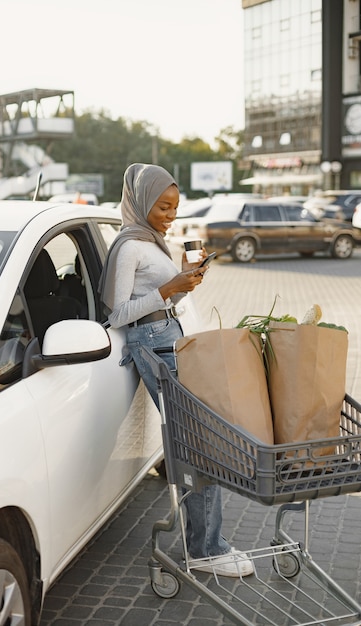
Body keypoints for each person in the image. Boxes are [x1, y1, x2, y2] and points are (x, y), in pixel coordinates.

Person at [98, 163, 252, 578]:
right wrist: (168, 290)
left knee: (198, 441)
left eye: (175, 207)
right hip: (152, 345)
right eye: (163, 206)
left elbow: (159, 297)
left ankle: (206, 543)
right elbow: (116, 315)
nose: (170, 215)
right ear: (142, 201)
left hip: (170, 337)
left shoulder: (153, 242)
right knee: (199, 442)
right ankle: (205, 550)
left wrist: (184, 279)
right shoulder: (129, 246)